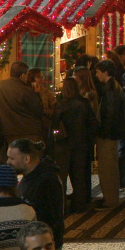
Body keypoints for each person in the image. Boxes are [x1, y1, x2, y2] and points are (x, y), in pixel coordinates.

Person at [7, 139, 65, 250]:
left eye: (12, 158)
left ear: (27, 159)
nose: (8, 162)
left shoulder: (47, 181)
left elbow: (51, 218)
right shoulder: (30, 175)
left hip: (43, 245)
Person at [52, 77, 97, 213]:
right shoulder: (84, 103)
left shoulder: (61, 104)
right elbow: (92, 124)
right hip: (81, 144)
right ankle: (79, 205)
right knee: (79, 177)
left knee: (62, 177)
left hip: (63, 145)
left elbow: (54, 124)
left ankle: (62, 206)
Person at [94, 60, 125, 210]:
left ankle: (110, 200)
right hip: (111, 134)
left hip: (108, 136)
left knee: (108, 169)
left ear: (105, 72)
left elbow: (111, 115)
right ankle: (109, 197)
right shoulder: (113, 87)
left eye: (98, 72)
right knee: (109, 167)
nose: (96, 75)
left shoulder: (110, 90)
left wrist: (103, 132)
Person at [0, 61, 44, 146]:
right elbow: (39, 110)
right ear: (22, 75)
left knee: (15, 157)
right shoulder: (26, 91)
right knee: (30, 157)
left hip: (9, 132)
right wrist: (37, 93)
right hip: (29, 131)